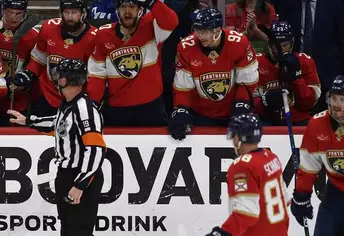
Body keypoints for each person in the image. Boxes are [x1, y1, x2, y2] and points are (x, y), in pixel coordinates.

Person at [8, 59, 105, 236]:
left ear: (69, 80)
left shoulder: (86, 109)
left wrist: (80, 184)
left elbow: (96, 150)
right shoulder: (68, 106)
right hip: (66, 175)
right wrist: (26, 120)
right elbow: (56, 125)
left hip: (81, 177)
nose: (56, 79)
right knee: (69, 234)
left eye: (60, 75)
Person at [290, 75, 344, 236]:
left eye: (342, 100)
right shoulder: (317, 125)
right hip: (336, 190)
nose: (337, 104)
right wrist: (301, 195)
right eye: (334, 98)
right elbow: (309, 166)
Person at [169, 8, 259, 141]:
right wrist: (181, 110)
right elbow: (182, 88)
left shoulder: (239, 43)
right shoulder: (186, 47)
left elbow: (247, 83)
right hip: (200, 115)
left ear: (217, 31)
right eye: (197, 30)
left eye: (204, 31)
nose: (199, 35)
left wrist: (242, 104)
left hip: (232, 112)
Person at [87, 0, 178, 126]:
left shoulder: (151, 26)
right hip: (117, 110)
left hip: (151, 108)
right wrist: (93, 103)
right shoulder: (103, 35)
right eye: (123, 6)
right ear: (117, 11)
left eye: (132, 6)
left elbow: (171, 21)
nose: (128, 11)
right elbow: (97, 74)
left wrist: (152, 2)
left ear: (140, 10)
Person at [11, 0, 96, 117]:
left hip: (75, 97)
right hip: (47, 95)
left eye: (74, 13)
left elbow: (94, 76)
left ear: (83, 14)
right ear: (61, 13)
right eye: (66, 12)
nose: (70, 17)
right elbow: (39, 58)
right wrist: (28, 74)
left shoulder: (94, 38)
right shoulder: (48, 28)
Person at [0, 0, 39, 126]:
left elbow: (37, 62)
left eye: (18, 14)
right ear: (2, 11)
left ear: (25, 13)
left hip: (15, 93)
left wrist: (25, 78)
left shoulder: (33, 35)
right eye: (9, 13)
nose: (13, 17)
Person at [254, 20, 320, 126]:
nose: (280, 50)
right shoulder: (256, 62)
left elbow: (309, 104)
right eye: (276, 45)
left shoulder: (305, 61)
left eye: (284, 45)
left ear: (292, 43)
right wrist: (264, 101)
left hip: (298, 120)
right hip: (267, 120)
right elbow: (247, 102)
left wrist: (297, 78)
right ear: (269, 44)